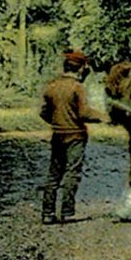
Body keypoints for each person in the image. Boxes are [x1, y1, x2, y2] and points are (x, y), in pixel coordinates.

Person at [40, 48, 102, 224]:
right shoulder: (77, 88)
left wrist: (57, 122)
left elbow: (44, 113)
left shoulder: (51, 86)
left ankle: (48, 213)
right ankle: (67, 211)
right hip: (75, 136)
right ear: (81, 68)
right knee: (72, 173)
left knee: (54, 174)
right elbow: (84, 113)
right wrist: (102, 116)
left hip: (57, 135)